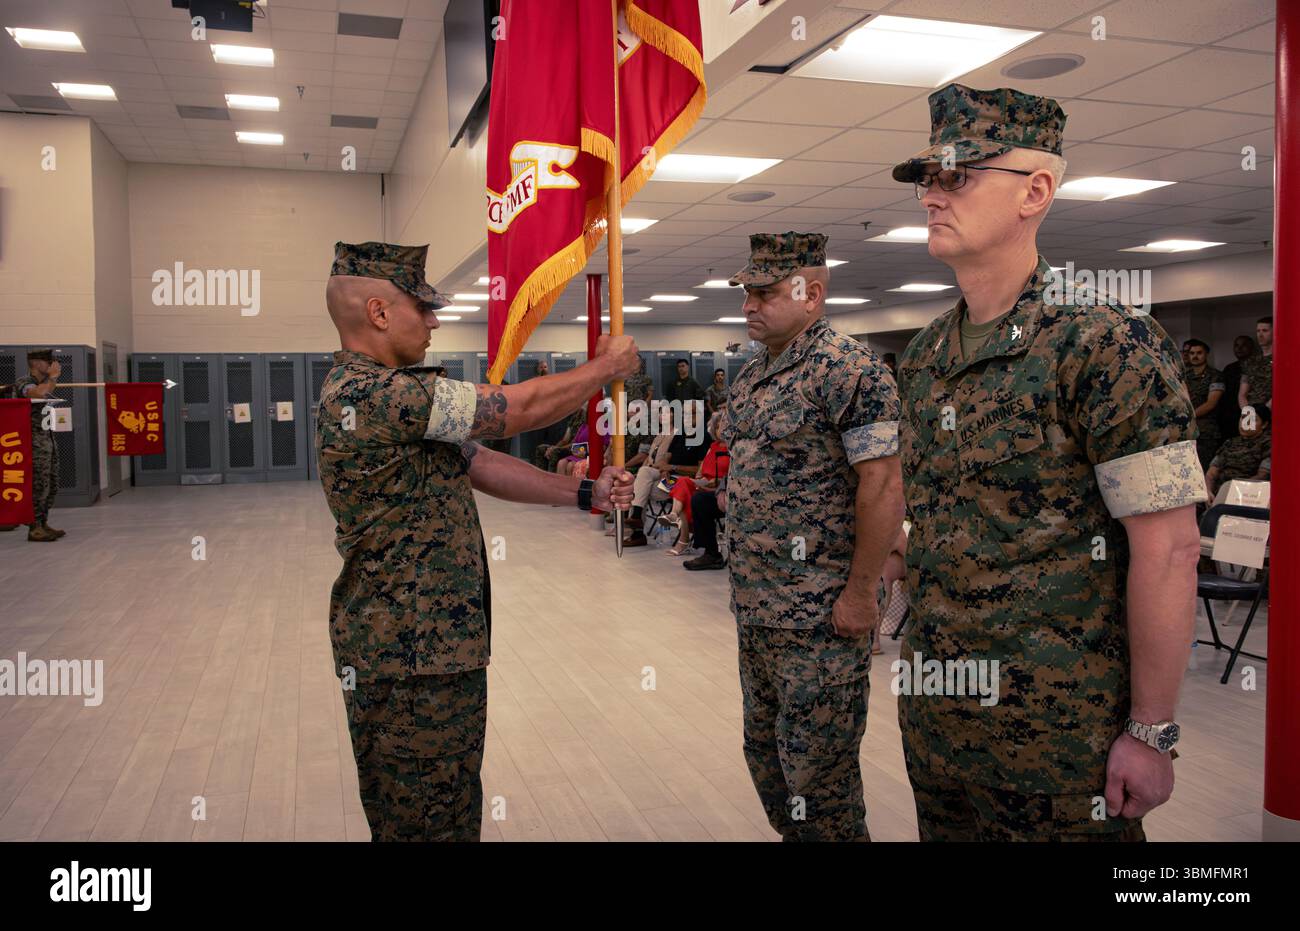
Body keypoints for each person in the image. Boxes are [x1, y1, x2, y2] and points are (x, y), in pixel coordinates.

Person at [891, 84, 1203, 841]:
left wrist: (1152, 730)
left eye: (956, 176)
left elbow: (1168, 548)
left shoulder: (1104, 343)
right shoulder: (927, 355)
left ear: (1035, 191)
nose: (932, 195)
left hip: (1059, 738)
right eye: (927, 179)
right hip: (940, 720)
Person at [316, 241, 639, 841]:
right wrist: (603, 371)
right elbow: (512, 409)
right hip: (406, 657)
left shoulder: (393, 398)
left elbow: (479, 462)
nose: (435, 321)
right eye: (424, 307)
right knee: (423, 825)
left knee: (452, 811)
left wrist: (582, 493)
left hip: (436, 650)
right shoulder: (370, 395)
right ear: (380, 312)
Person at [720, 231, 903, 841]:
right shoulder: (751, 378)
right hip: (758, 609)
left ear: (811, 293)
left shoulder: (850, 372)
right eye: (747, 292)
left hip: (820, 616)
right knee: (766, 758)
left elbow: (881, 488)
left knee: (818, 776)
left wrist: (860, 594)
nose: (749, 304)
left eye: (765, 292)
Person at [0, 349, 65, 542]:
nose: (53, 366)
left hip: (46, 440)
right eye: (49, 362)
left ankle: (43, 523)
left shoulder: (43, 383)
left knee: (51, 485)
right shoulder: (24, 382)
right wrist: (53, 378)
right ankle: (35, 527)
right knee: (38, 486)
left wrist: (51, 379)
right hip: (32, 444)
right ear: (36, 363)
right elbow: (37, 394)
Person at [624, 402, 707, 548]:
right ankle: (636, 519)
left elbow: (699, 471)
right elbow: (666, 458)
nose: (688, 417)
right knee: (642, 477)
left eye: (693, 414)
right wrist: (664, 470)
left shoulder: (704, 437)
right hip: (668, 481)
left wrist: (673, 467)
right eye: (686, 414)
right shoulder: (680, 435)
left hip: (684, 484)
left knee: (641, 488)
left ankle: (637, 531)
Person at [658, 413, 730, 556]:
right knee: (651, 475)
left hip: (720, 486)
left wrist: (716, 483)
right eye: (716, 427)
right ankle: (673, 515)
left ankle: (680, 534)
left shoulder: (731, 447)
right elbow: (701, 467)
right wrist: (664, 468)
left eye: (723, 425)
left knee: (683, 487)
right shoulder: (713, 445)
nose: (719, 429)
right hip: (700, 480)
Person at [1205, 406, 1271, 499]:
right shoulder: (1230, 443)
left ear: (1264, 424)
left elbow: (1263, 475)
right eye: (1243, 418)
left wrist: (1232, 490)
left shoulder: (1267, 444)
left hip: (1246, 495)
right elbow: (1211, 474)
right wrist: (1208, 492)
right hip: (1217, 493)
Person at [1182, 339, 1224, 471]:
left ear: (1206, 354)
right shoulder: (1184, 376)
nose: (1195, 356)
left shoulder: (1215, 376)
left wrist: (1189, 416)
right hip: (1186, 431)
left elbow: (1211, 403)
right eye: (1192, 353)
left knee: (1203, 468)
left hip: (1206, 432)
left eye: (1199, 353)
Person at [1217, 334, 1258, 440]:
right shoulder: (1230, 368)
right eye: (1236, 345)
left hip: (1250, 412)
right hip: (1229, 416)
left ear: (1251, 348)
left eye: (1244, 345)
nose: (1239, 348)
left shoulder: (1257, 367)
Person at [1238, 316, 1273, 415]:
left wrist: (1263, 412)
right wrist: (1248, 413)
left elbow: (1284, 390)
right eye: (1258, 331)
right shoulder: (1250, 361)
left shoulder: (1283, 360)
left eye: (1265, 331)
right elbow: (1242, 394)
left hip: (1274, 412)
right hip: (1252, 413)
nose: (1260, 335)